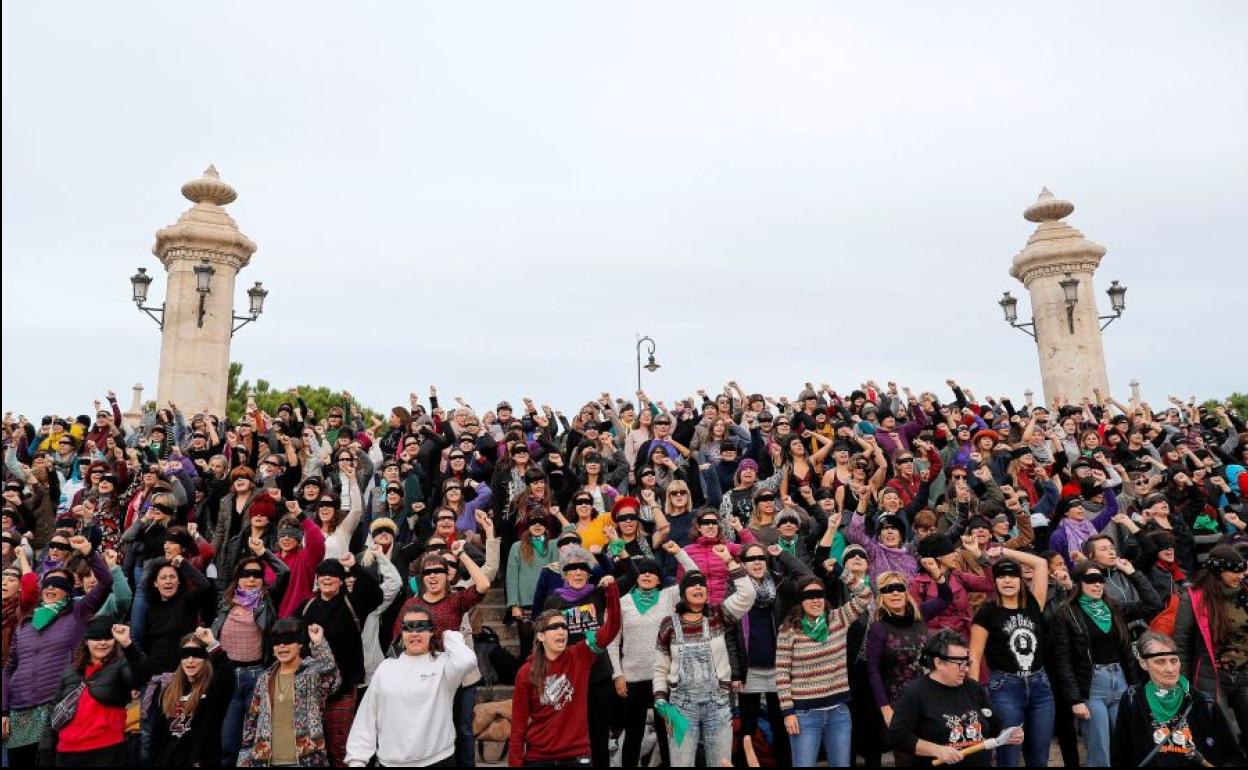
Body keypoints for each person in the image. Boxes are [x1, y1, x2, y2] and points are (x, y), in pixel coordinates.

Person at [2, 535, 111, 767]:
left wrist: (89, 553)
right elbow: (9, 667)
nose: (51, 587)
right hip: (20, 710)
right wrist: (3, 709)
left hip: (57, 705)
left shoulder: (78, 612)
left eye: (59, 585)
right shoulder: (26, 622)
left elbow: (105, 583)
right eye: (48, 584)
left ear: (69, 591)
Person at [653, 546, 757, 767]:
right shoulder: (668, 624)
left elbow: (748, 595)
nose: (698, 587)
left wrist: (729, 560)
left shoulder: (718, 616)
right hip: (680, 708)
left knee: (722, 763)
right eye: (692, 585)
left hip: (718, 704)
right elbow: (660, 667)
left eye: (702, 584)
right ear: (683, 593)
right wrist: (660, 700)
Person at [345, 607, 477, 768]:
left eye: (421, 627)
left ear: (431, 632)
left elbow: (467, 660)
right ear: (402, 633)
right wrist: (357, 760)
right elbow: (367, 716)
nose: (414, 633)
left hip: (438, 760)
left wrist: (448, 635)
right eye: (408, 628)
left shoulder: (443, 665)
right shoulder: (385, 668)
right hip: (392, 762)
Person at [510, 578, 621, 767]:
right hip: (539, 759)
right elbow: (518, 726)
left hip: (578, 757)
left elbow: (611, 629)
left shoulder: (581, 655)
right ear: (540, 636)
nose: (561, 631)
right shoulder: (526, 672)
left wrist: (612, 590)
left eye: (564, 626)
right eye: (553, 627)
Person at [1050, 559, 1149, 766]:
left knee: (1125, 745)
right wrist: (1075, 699)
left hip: (1120, 680)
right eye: (1091, 579)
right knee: (1100, 751)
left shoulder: (1114, 607)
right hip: (1092, 685)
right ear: (1078, 582)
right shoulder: (1066, 613)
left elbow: (1153, 604)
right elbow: (1063, 659)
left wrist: (1132, 572)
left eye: (1101, 579)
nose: (1097, 584)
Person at [776, 566, 872, 767]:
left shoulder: (838, 619)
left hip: (839, 712)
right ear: (800, 601)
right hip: (804, 715)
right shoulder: (788, 630)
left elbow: (865, 594)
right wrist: (788, 712)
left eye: (819, 595)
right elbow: (782, 673)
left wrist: (840, 571)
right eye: (810, 596)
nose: (816, 600)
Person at [967, 548, 1053, 767]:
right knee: (1009, 756)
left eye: (1012, 575)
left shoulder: (1033, 604)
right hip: (1005, 688)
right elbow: (975, 657)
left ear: (1020, 579)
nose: (1007, 581)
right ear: (994, 582)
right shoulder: (987, 612)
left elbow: (1041, 564)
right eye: (1001, 576)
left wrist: (1003, 551)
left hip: (1040, 686)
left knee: (1039, 756)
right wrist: (974, 696)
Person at [887, 629, 1023, 767]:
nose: (966, 669)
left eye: (967, 663)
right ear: (938, 663)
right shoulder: (915, 693)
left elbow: (994, 726)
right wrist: (936, 750)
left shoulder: (974, 688)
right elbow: (898, 736)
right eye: (959, 664)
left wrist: (1007, 734)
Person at [1112, 631, 1246, 767]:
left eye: (1174, 661)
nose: (1170, 669)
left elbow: (1234, 756)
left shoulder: (1203, 702)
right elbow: (1120, 756)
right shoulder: (1133, 700)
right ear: (1143, 664)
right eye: (1160, 662)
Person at [299, 554, 383, 768]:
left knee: (341, 747)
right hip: (310, 691)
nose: (327, 579)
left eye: (333, 575)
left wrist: (354, 567)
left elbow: (376, 594)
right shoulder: (307, 606)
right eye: (323, 575)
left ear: (341, 579)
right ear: (317, 579)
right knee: (313, 747)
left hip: (343, 688)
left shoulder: (352, 602)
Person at [865, 561, 953, 763]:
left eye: (899, 588)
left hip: (931, 698)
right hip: (900, 703)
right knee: (907, 758)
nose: (895, 593)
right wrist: (885, 708)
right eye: (888, 589)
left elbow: (946, 597)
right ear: (881, 596)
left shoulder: (920, 614)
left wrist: (937, 574)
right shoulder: (879, 628)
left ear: (906, 591)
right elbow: (873, 671)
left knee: (937, 754)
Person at [211, 550, 290, 767]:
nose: (252, 579)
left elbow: (284, 571)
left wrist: (264, 553)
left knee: (257, 743)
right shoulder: (225, 602)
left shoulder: (267, 600)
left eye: (257, 574)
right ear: (238, 578)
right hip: (228, 677)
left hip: (257, 676)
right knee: (227, 744)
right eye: (246, 574)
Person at [1172, 544, 1248, 747]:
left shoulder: (1245, 593)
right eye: (1235, 570)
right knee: (1225, 738)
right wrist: (1183, 685)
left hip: (1244, 675)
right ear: (1218, 571)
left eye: (1243, 569)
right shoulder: (1194, 598)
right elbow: (1181, 644)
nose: (1241, 575)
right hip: (1211, 677)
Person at [237, 620, 339, 768]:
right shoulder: (265, 678)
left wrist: (319, 644)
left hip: (307, 760)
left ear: (299, 644)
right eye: (277, 642)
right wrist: (244, 759)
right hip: (266, 761)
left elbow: (333, 679)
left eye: (288, 640)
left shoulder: (311, 673)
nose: (282, 646)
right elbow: (252, 721)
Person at [46, 619, 142, 767]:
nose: (102, 643)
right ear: (86, 641)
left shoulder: (122, 664)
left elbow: (140, 677)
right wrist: (45, 750)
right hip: (66, 751)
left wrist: (128, 645)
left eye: (107, 638)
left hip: (106, 748)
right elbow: (53, 711)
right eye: (96, 638)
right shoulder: (70, 671)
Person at [149, 627, 237, 767]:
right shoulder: (168, 691)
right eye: (186, 655)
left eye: (196, 655)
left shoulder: (214, 690)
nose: (190, 660)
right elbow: (156, 737)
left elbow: (227, 678)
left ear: (206, 658)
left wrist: (212, 644)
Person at [506, 515, 559, 660]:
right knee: (526, 646)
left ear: (547, 526)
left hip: (548, 603)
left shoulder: (553, 545)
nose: (537, 525)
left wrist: (558, 514)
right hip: (525, 605)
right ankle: (526, 679)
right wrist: (514, 604)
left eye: (541, 522)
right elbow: (511, 576)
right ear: (527, 526)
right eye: (533, 522)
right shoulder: (517, 546)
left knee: (548, 646)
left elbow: (572, 533)